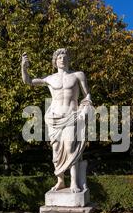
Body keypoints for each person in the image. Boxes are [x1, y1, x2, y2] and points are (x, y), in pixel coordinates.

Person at [21, 49, 92, 193]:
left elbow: (87, 94)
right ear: (55, 61)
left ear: (68, 59)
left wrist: (86, 106)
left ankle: (73, 183)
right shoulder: (50, 78)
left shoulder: (78, 75)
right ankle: (60, 181)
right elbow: (28, 81)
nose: (62, 59)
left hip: (72, 115)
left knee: (70, 147)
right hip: (54, 118)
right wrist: (24, 67)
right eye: (59, 57)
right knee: (56, 150)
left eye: (64, 57)